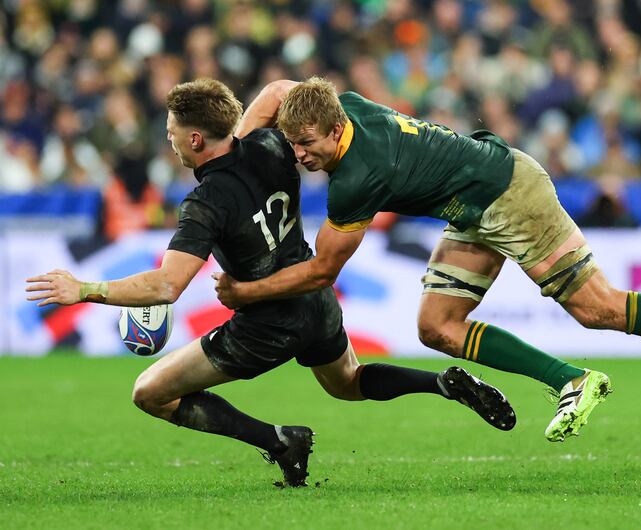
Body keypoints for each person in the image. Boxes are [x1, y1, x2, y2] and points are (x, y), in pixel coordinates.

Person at [213, 76, 641, 449]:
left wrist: (244, 294)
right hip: (472, 204)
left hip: (510, 193)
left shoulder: (358, 179)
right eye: (294, 145)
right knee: (436, 327)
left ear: (335, 131)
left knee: (597, 309)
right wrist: (237, 154)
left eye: (308, 144)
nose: (301, 156)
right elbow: (279, 89)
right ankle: (574, 380)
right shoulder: (341, 108)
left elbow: (320, 273)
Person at [25, 79, 516, 488]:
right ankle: (441, 383)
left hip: (264, 321)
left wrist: (85, 290)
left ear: (196, 140)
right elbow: (282, 89)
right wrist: (237, 136)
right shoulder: (271, 145)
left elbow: (166, 286)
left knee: (149, 392)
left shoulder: (205, 203)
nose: (169, 139)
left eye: (174, 132)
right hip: (314, 296)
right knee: (347, 382)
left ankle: (278, 441)